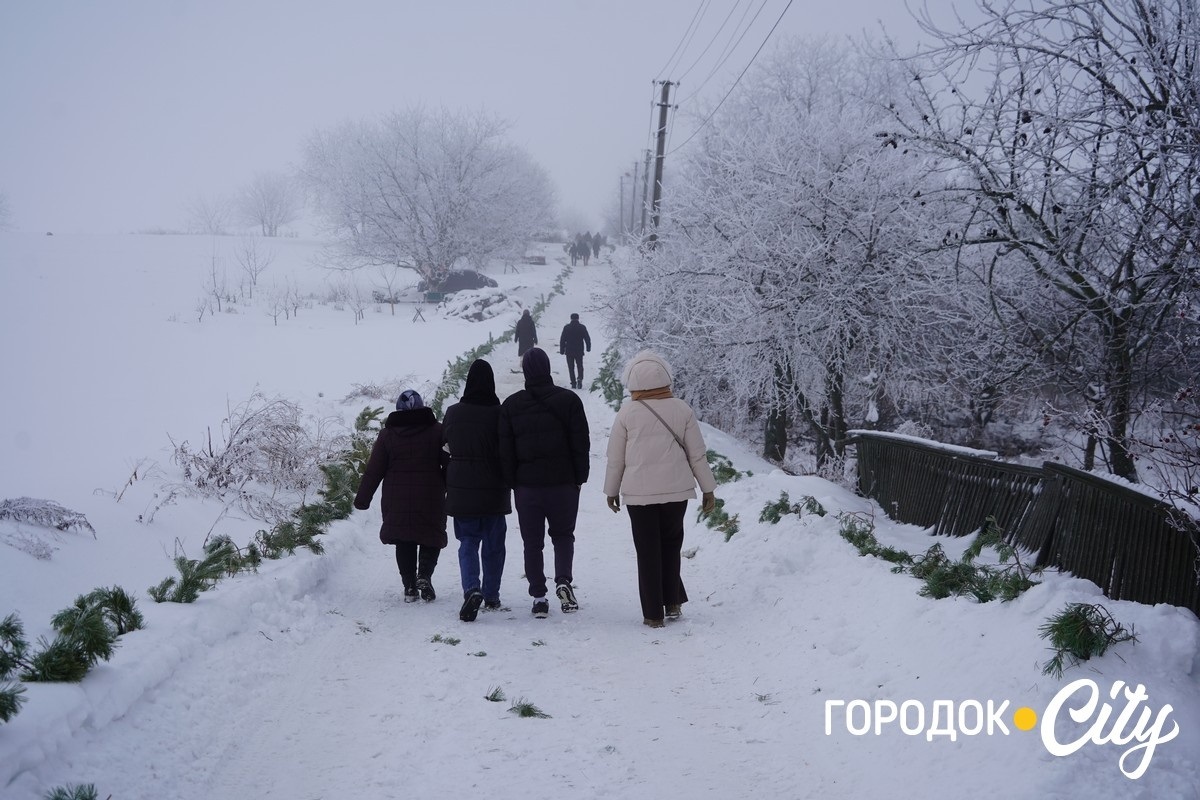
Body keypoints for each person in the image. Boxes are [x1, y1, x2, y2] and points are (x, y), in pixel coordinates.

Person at [603, 351, 717, 628]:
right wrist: (708, 489)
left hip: (639, 496)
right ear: (665, 377)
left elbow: (615, 458)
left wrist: (611, 490)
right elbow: (697, 455)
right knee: (670, 545)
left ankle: (653, 614)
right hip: (677, 493)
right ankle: (673, 602)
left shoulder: (627, 413)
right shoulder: (682, 409)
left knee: (647, 550)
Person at [499, 347, 590, 618]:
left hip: (528, 488)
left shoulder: (511, 406)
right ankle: (563, 580)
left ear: (526, 371)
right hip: (563, 484)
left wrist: (512, 481)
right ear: (548, 368)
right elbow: (581, 444)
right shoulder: (569, 400)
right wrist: (579, 478)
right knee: (563, 536)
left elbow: (505, 450)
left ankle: (539, 597)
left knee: (532, 542)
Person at [354, 389, 449, 603]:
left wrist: (362, 499)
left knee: (404, 539)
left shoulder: (387, 435)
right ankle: (424, 575)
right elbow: (449, 462)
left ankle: (409, 587)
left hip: (396, 497)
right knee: (430, 534)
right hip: (430, 494)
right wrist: (445, 483)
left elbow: (374, 469)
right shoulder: (437, 431)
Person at [442, 360, 511, 621]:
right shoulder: (500, 413)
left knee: (468, 541)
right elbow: (507, 448)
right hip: (494, 487)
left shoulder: (453, 412)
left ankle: (471, 587)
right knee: (495, 544)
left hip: (462, 488)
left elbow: (444, 445)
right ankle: (492, 595)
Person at [559, 312, 592, 390]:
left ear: (571, 318)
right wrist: (588, 347)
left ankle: (573, 382)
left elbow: (562, 339)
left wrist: (562, 350)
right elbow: (587, 338)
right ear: (578, 318)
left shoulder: (566, 327)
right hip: (579, 350)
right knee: (580, 366)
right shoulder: (582, 327)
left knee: (571, 367)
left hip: (569, 351)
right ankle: (580, 379)